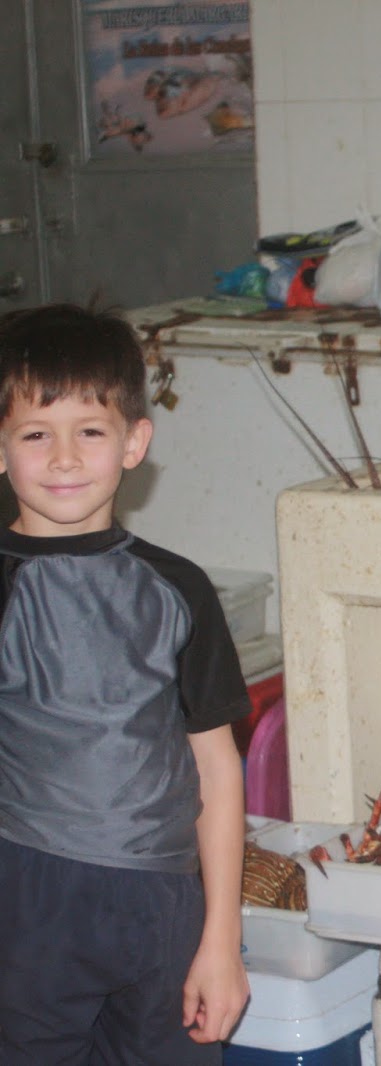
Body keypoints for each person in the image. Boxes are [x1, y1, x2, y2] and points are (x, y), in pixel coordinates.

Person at [0, 303, 252, 1063]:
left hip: (165, 907)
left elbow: (216, 765)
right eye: (35, 434)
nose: (64, 458)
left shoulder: (180, 589)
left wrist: (222, 940)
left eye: (90, 430)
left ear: (134, 442)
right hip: (26, 906)